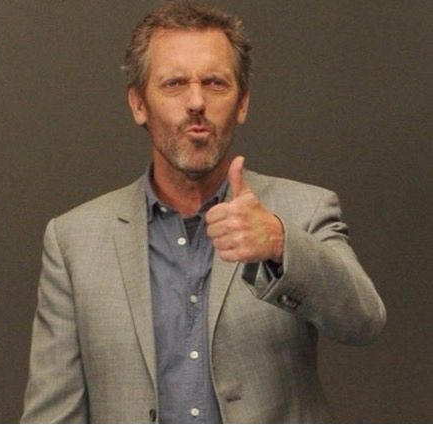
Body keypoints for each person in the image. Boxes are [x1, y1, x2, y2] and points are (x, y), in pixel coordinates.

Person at [21, 1, 386, 423]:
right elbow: (52, 412)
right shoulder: (74, 241)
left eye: (215, 83)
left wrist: (280, 243)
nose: (196, 101)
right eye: (174, 84)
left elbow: (364, 321)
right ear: (139, 104)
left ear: (242, 103)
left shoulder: (302, 210)